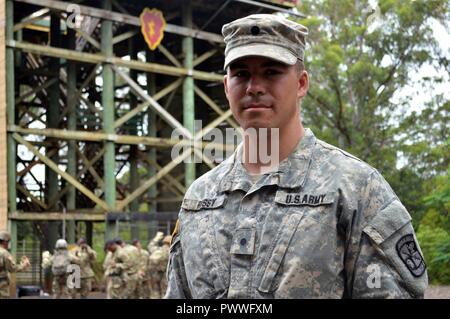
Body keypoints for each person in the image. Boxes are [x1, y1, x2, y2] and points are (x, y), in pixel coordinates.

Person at [165, 14, 428, 299]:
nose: (254, 86)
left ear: (301, 83)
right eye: (241, 74)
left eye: (271, 72)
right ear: (227, 87)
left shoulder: (356, 188)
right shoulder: (198, 199)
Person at [0, 230, 30, 299]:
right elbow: (12, 268)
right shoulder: (5, 253)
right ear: (5, 241)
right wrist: (24, 265)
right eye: (8, 242)